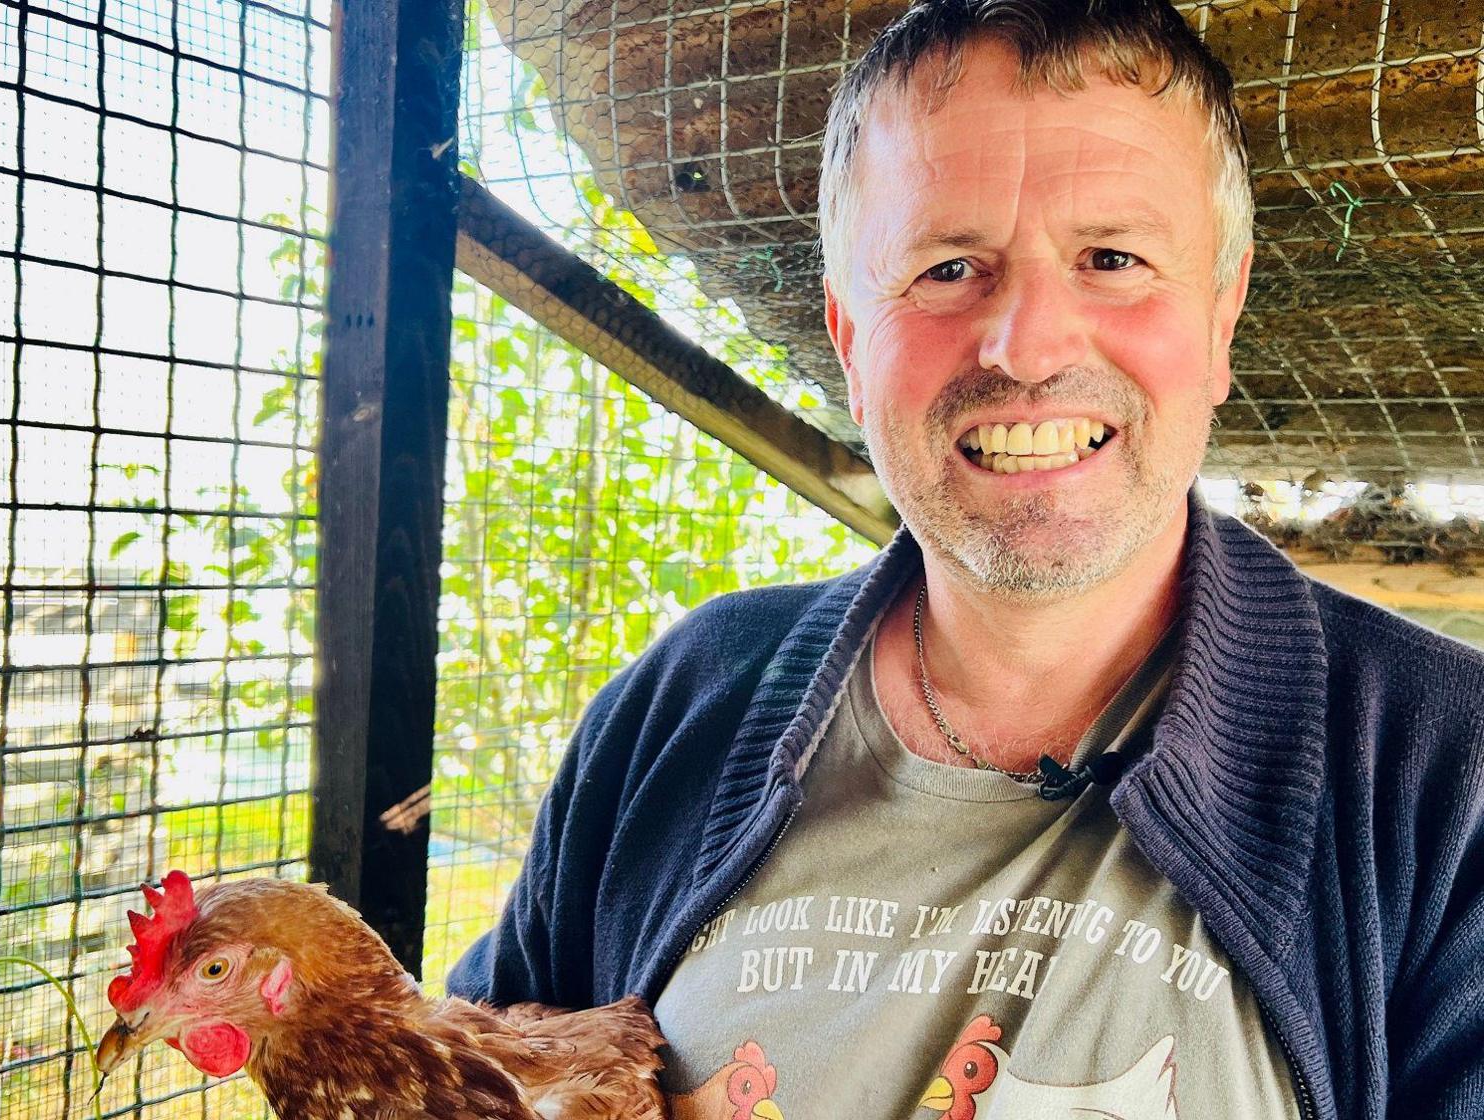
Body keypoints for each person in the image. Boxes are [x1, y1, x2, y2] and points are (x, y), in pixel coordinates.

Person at [448, 2, 1484, 1116]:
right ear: (850, 341)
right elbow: (470, 1075)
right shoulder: (680, 705)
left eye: (1114, 257)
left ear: (1219, 318)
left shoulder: (1444, 775)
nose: (1028, 344)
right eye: (947, 268)